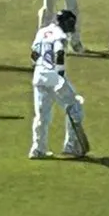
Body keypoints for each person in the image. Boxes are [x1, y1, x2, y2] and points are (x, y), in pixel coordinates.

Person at [28, 9, 89, 158]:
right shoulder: (60, 36)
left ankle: (37, 149)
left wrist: (38, 68)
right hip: (55, 78)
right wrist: (60, 75)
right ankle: (71, 146)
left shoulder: (42, 32)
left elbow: (34, 54)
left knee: (42, 115)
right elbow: (59, 54)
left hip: (39, 77)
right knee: (75, 108)